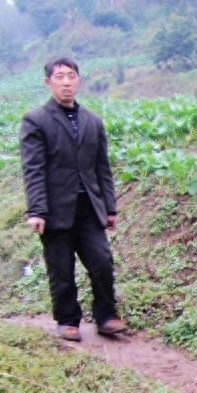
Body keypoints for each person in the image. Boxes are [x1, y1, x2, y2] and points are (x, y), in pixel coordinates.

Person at [19, 56, 126, 342]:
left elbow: (102, 168)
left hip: (89, 207)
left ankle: (106, 316)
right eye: (59, 77)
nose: (66, 82)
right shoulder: (36, 121)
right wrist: (37, 210)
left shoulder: (92, 121)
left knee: (102, 262)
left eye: (71, 76)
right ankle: (67, 320)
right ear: (48, 82)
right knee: (61, 268)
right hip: (55, 210)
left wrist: (110, 207)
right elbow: (34, 169)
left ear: (78, 80)